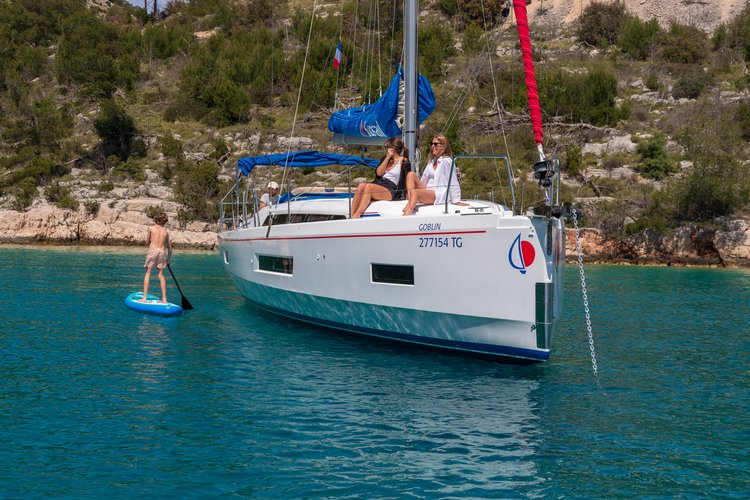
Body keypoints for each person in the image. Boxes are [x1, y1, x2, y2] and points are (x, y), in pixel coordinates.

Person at [350, 138, 410, 218]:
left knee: (369, 187)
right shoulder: (385, 159)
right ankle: (352, 215)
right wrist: (387, 158)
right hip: (379, 183)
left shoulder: (404, 161)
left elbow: (408, 179)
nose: (386, 150)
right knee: (361, 185)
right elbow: (379, 173)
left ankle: (357, 214)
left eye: (387, 147)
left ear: (393, 149)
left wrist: (409, 195)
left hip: (391, 189)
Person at [402, 135, 461, 215]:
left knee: (415, 192)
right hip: (428, 190)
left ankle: (409, 210)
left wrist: (456, 201)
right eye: (431, 144)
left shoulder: (447, 161)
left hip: (438, 193)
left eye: (435, 144)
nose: (432, 146)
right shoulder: (432, 161)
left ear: (443, 147)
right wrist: (420, 190)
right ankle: (410, 201)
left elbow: (453, 181)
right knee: (410, 174)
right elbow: (424, 179)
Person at [141, 212, 172, 303]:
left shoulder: (151, 229)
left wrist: (149, 238)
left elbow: (147, 241)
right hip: (161, 252)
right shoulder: (166, 232)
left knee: (148, 273)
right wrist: (168, 260)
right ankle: (164, 298)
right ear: (164, 221)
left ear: (156, 220)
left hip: (152, 251)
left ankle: (144, 297)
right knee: (161, 275)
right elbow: (170, 249)